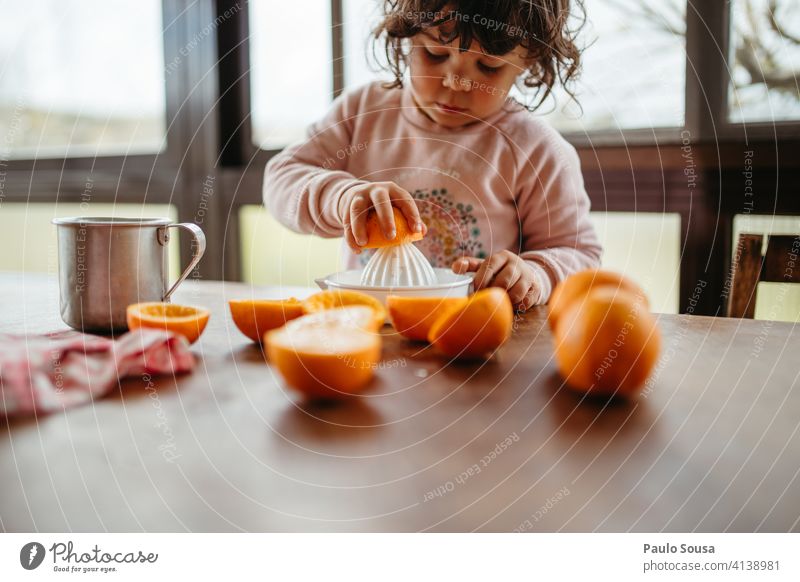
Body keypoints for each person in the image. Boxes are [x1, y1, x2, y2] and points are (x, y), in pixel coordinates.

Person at [264, 1, 601, 311]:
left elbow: (579, 254)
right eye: (436, 54)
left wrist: (534, 275)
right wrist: (340, 197)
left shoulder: (535, 149)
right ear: (406, 37)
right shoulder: (364, 112)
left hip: (470, 344)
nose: (456, 82)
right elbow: (282, 177)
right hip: (370, 330)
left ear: (528, 63)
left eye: (488, 66)